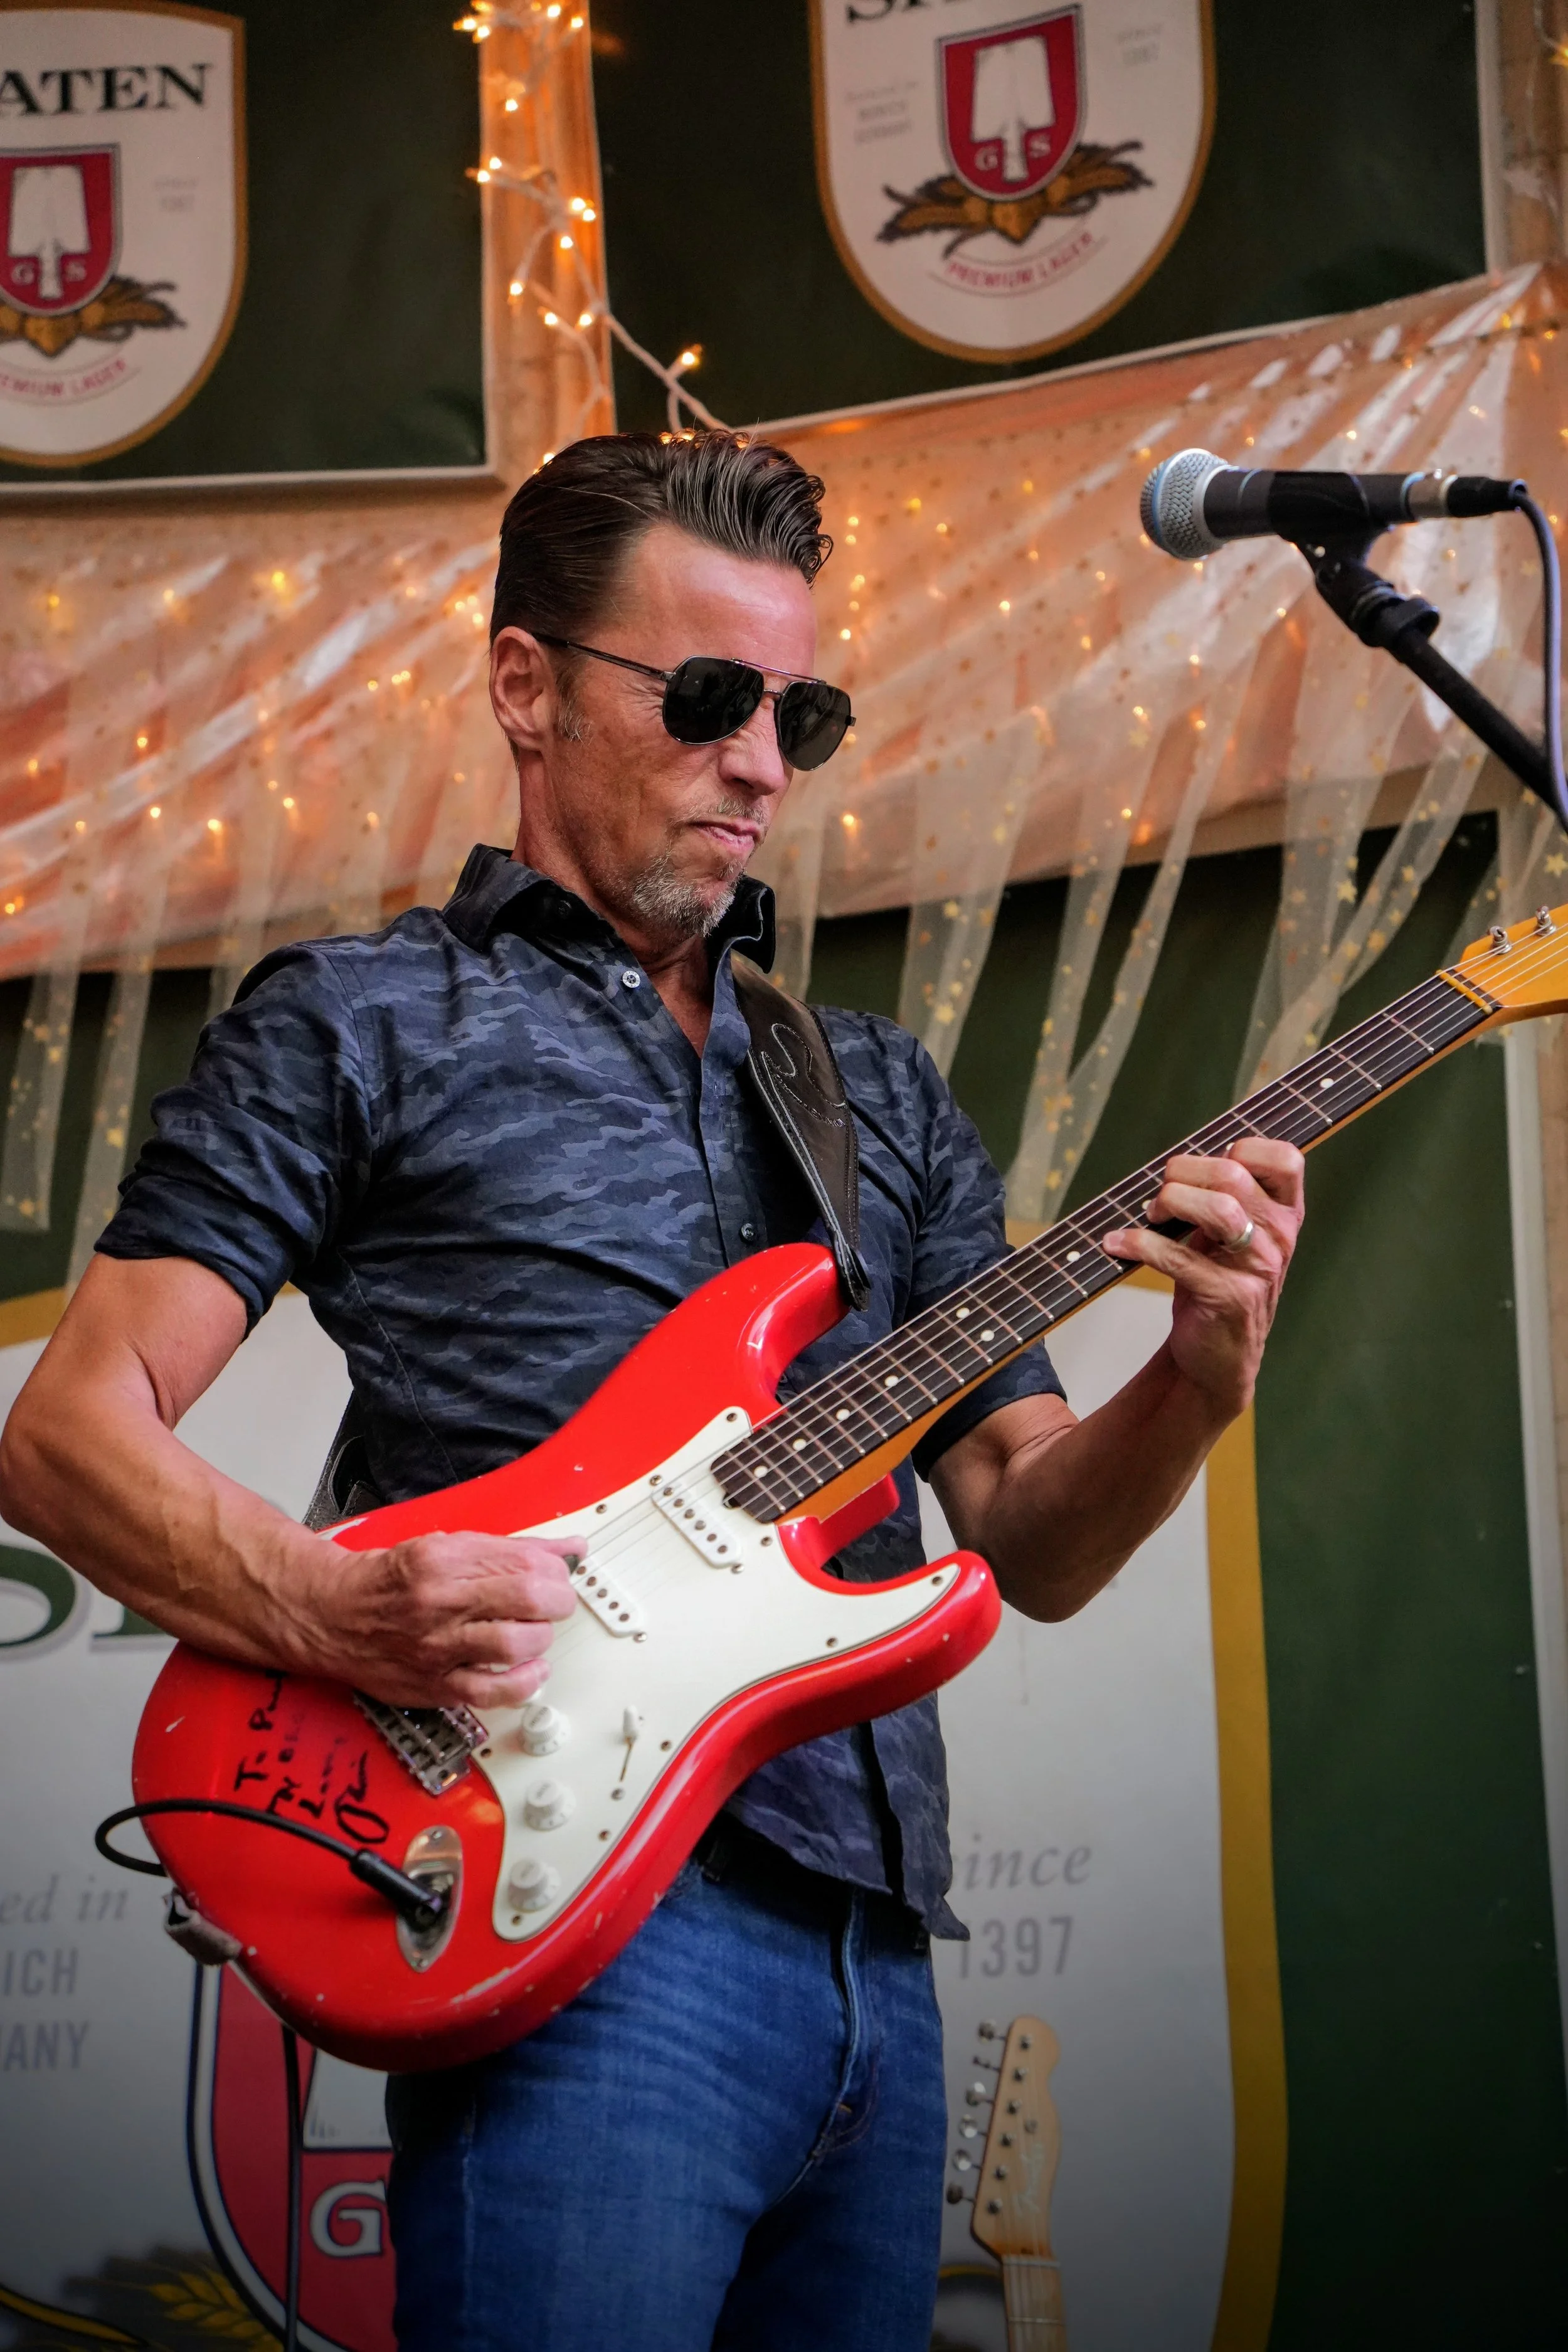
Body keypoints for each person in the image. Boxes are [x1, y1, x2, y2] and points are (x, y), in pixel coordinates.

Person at [0, 432, 1303, 2352]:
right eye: (706, 700)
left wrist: (1193, 1379)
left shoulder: (875, 1095)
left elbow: (1028, 1530)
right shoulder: (368, 1021)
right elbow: (67, 1430)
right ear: (525, 686)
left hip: (877, 1958)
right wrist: (327, 1605)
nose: (763, 764)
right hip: (577, 1925)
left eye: (800, 711)